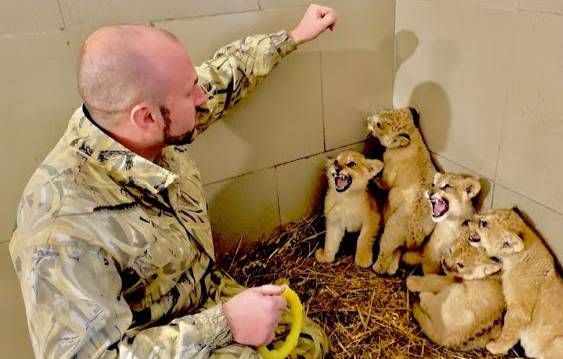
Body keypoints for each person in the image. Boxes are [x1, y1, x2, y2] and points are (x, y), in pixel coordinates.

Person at [9, 4, 337, 358]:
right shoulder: (60, 227)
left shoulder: (137, 119)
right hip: (155, 340)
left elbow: (219, 79)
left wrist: (293, 37)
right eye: (189, 93)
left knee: (307, 342)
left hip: (201, 295)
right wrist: (223, 325)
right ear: (146, 117)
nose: (202, 99)